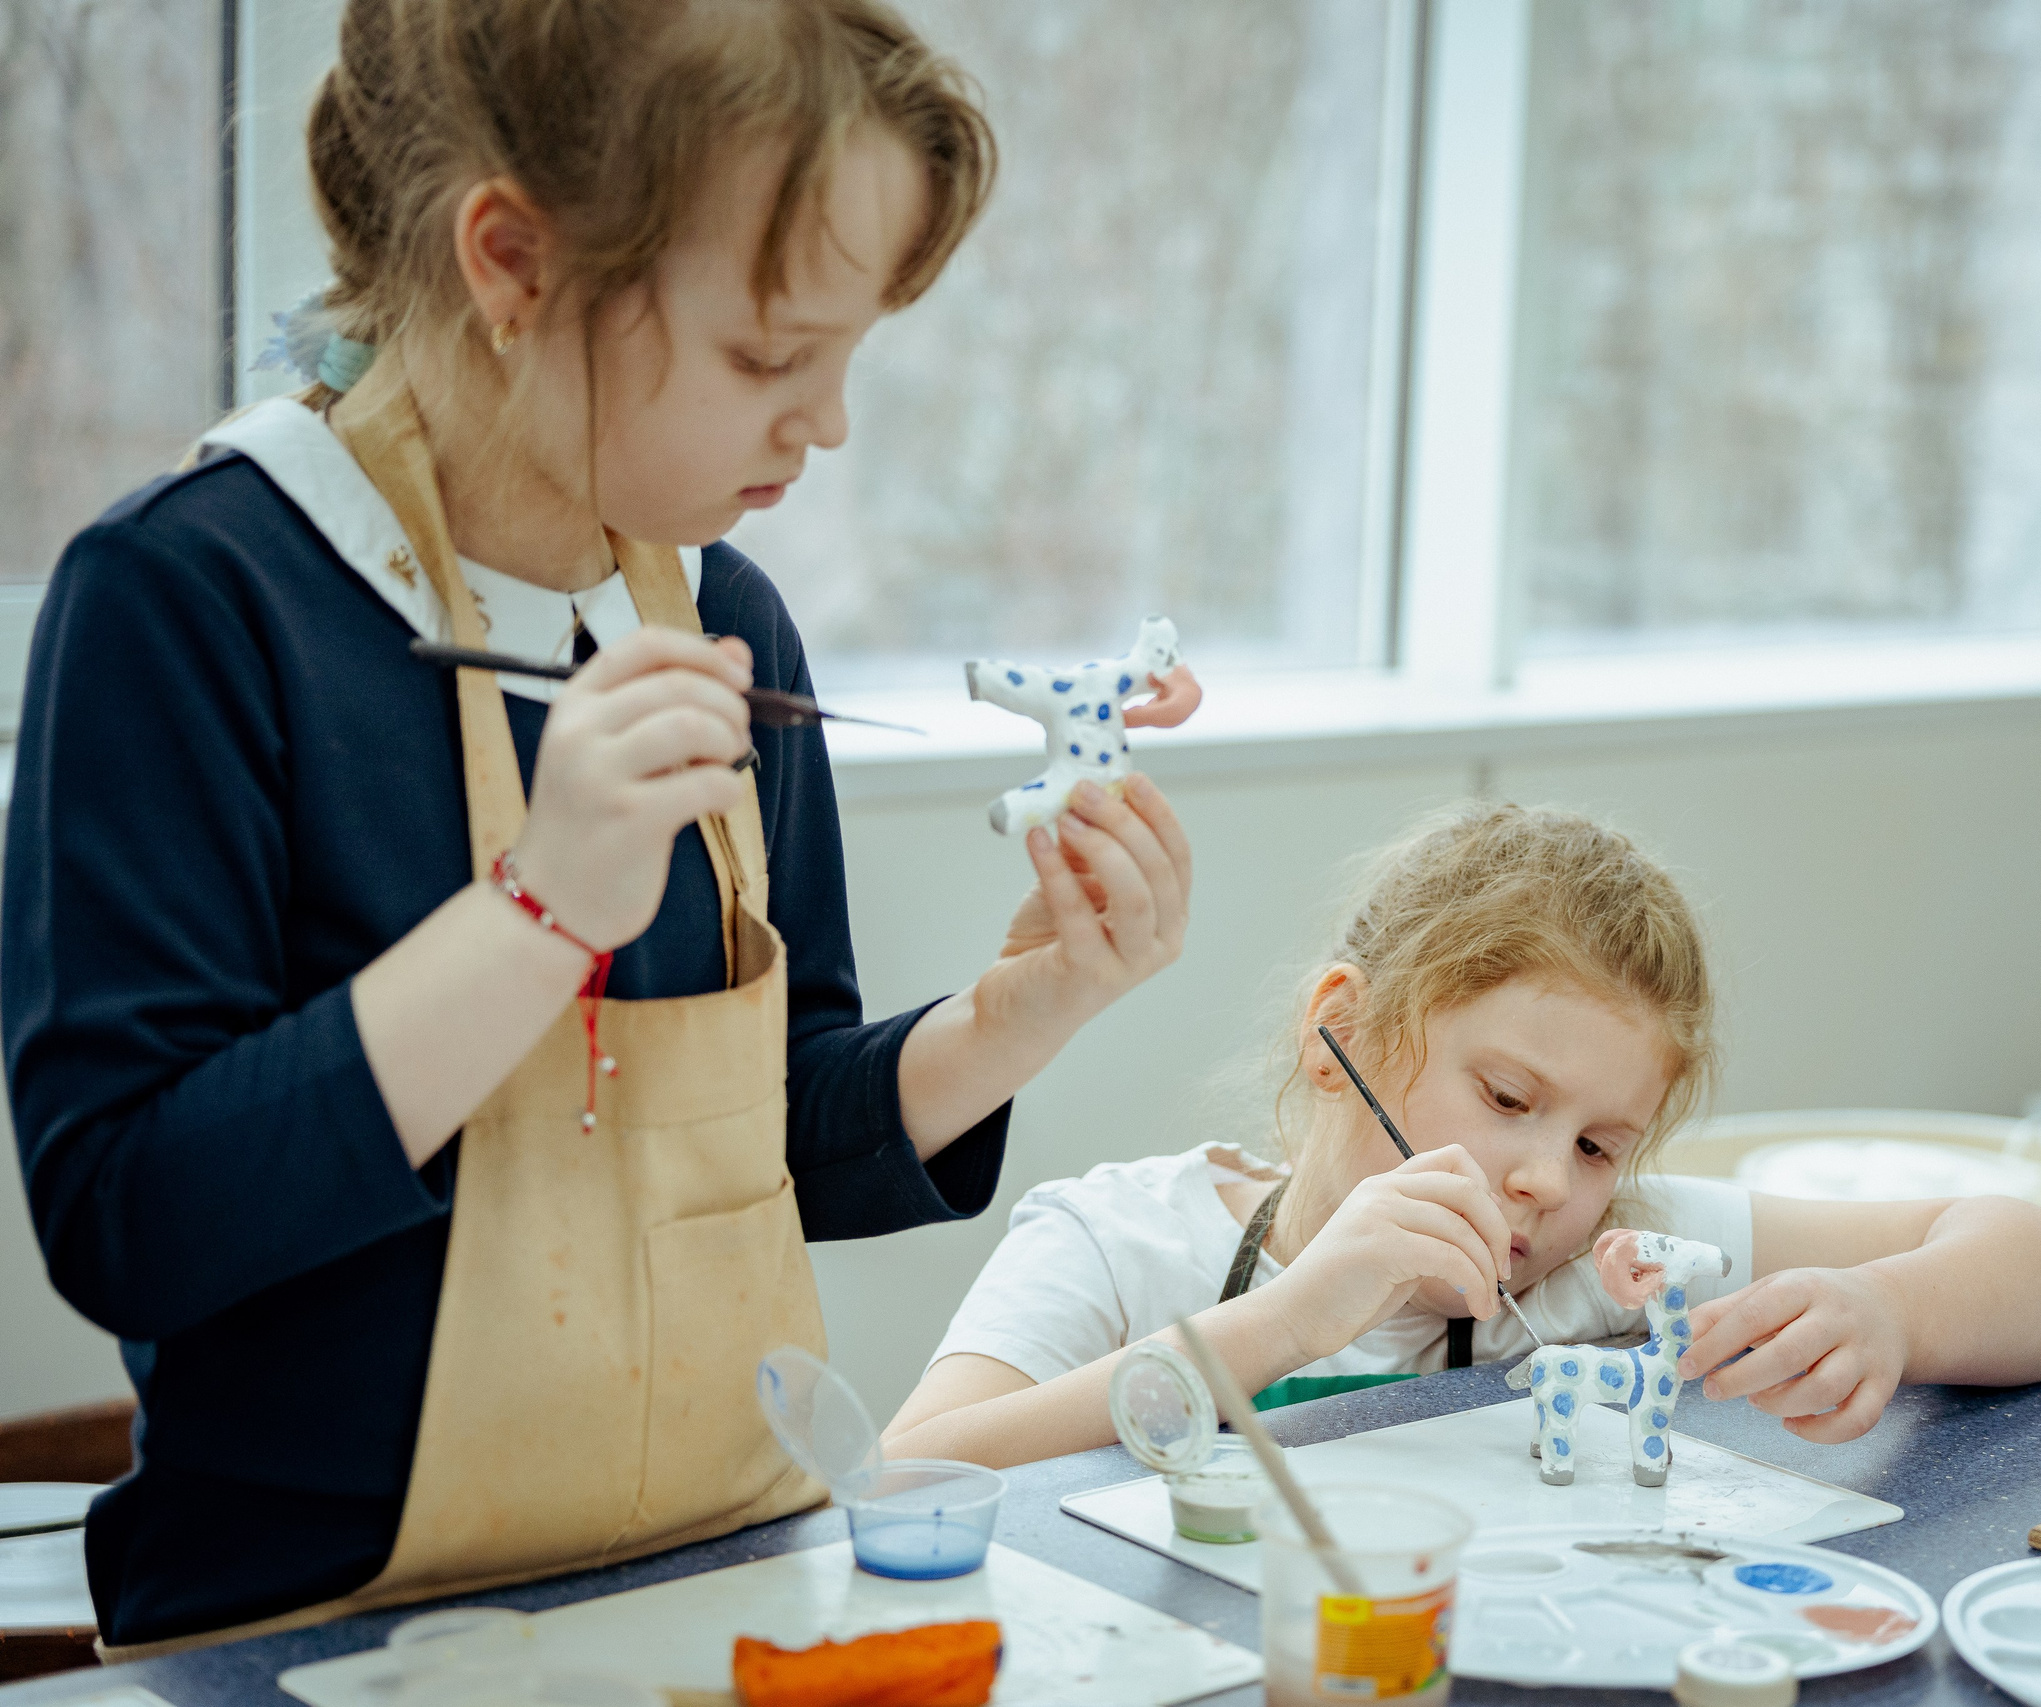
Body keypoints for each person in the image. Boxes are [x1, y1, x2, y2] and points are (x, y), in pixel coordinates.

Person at [4, 0, 1195, 1652]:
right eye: (772, 356)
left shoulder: (719, 617)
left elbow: (773, 1135)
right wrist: (536, 912)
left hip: (715, 1594)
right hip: (307, 1633)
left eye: (852, 355)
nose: (825, 424)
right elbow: (130, 1220)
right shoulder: (191, 601)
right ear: (513, 264)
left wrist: (1026, 1008)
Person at [885, 803, 2041, 1468]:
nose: (1544, 1180)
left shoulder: (1613, 1255)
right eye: (1510, 1101)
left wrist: (1890, 1312)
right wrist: (1287, 1321)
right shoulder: (1114, 1242)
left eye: (1598, 1145)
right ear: (1341, 1037)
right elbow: (902, 1478)